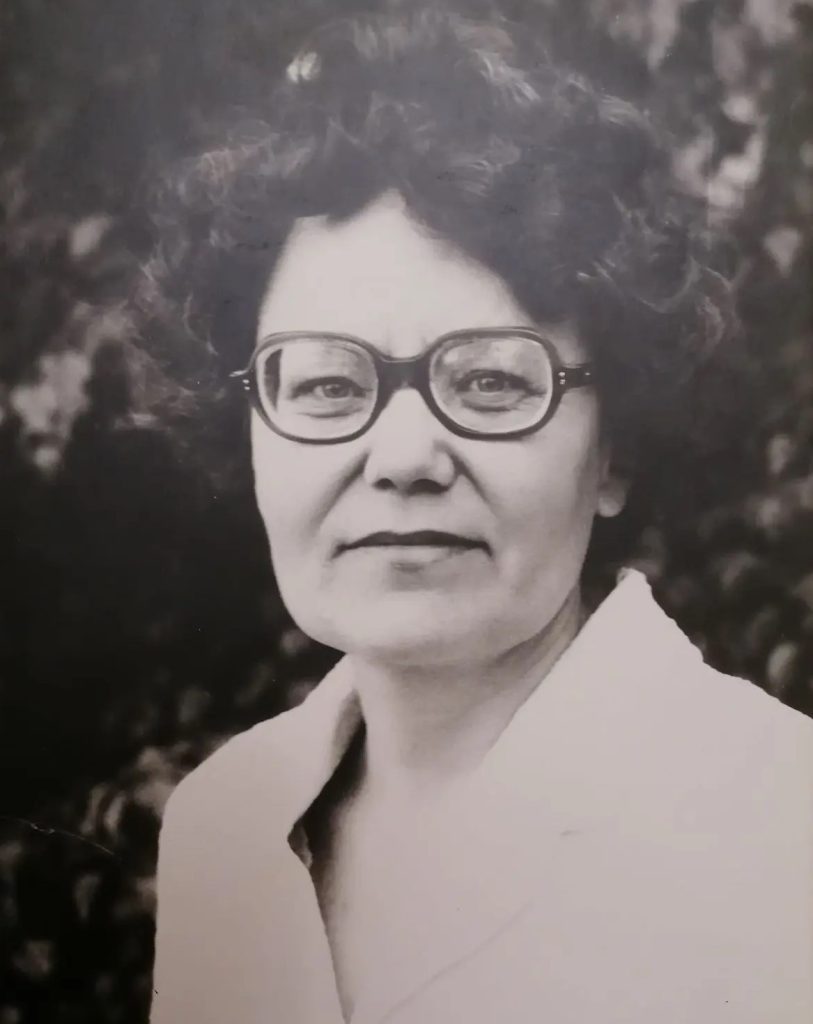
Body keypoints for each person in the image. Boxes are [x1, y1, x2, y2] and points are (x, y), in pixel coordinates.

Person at [145, 5, 813, 1022]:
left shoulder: (778, 833)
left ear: (616, 450)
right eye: (327, 384)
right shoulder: (223, 827)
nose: (404, 458)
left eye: (493, 382)